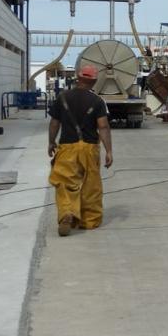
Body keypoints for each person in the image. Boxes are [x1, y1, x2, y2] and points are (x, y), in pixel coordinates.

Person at [47, 64, 113, 236]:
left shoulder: (62, 97)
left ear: (78, 77)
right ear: (94, 81)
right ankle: (88, 220)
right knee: (91, 185)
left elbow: (54, 123)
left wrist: (51, 142)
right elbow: (103, 127)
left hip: (67, 147)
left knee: (65, 182)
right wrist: (109, 151)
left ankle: (67, 212)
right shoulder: (98, 101)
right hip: (89, 148)